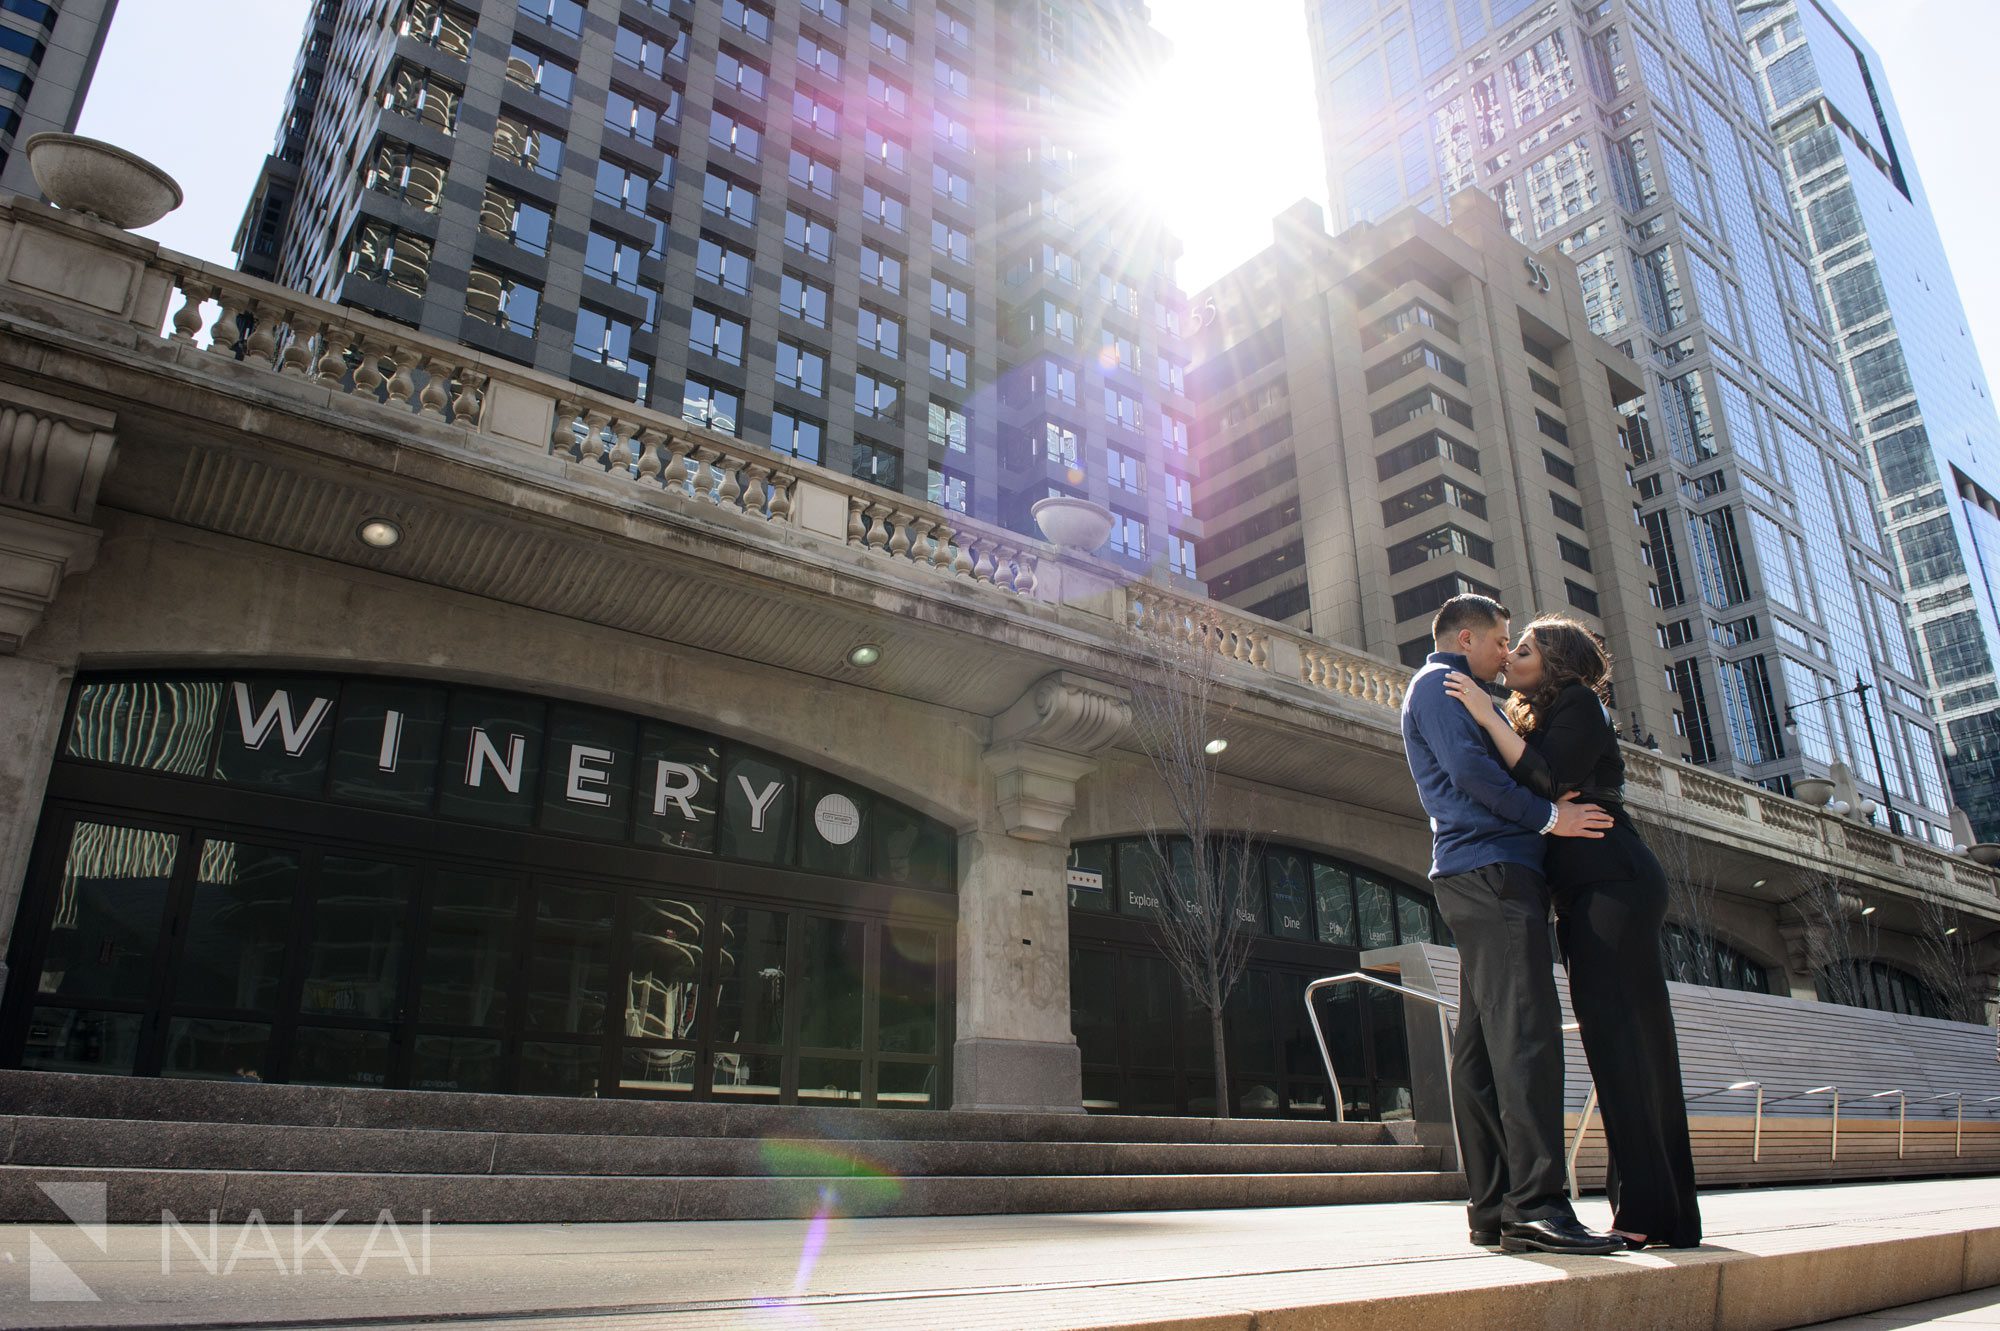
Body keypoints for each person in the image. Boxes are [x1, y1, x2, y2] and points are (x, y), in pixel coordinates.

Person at [1442, 614, 1703, 1250]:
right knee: (1615, 1046)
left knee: (1626, 1046)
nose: (1509, 657)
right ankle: (1657, 1209)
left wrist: (1483, 712)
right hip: (1582, 895)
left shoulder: (1581, 703)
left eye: (1522, 649)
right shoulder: (1539, 714)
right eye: (1507, 646)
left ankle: (1649, 1211)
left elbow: (1547, 780)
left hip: (1613, 884)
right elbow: (1529, 783)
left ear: (1555, 661)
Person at [1399, 594, 1622, 1256]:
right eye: (1501, 640)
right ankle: (1538, 1203)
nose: (1507, 651)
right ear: (1466, 637)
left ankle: (1494, 1205)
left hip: (1482, 873)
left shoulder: (1459, 689)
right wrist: (1552, 819)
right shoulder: (1444, 683)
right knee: (1527, 1035)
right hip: (1494, 871)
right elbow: (1470, 774)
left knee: (1480, 1049)